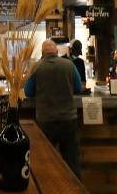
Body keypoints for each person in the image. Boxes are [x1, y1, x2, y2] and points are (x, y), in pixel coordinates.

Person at [25, 40, 83, 176]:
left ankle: (49, 193)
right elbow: (79, 88)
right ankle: (76, 193)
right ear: (57, 52)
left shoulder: (36, 67)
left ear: (42, 54)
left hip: (46, 120)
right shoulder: (69, 65)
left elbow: (28, 92)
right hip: (68, 119)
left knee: (45, 161)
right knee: (72, 161)